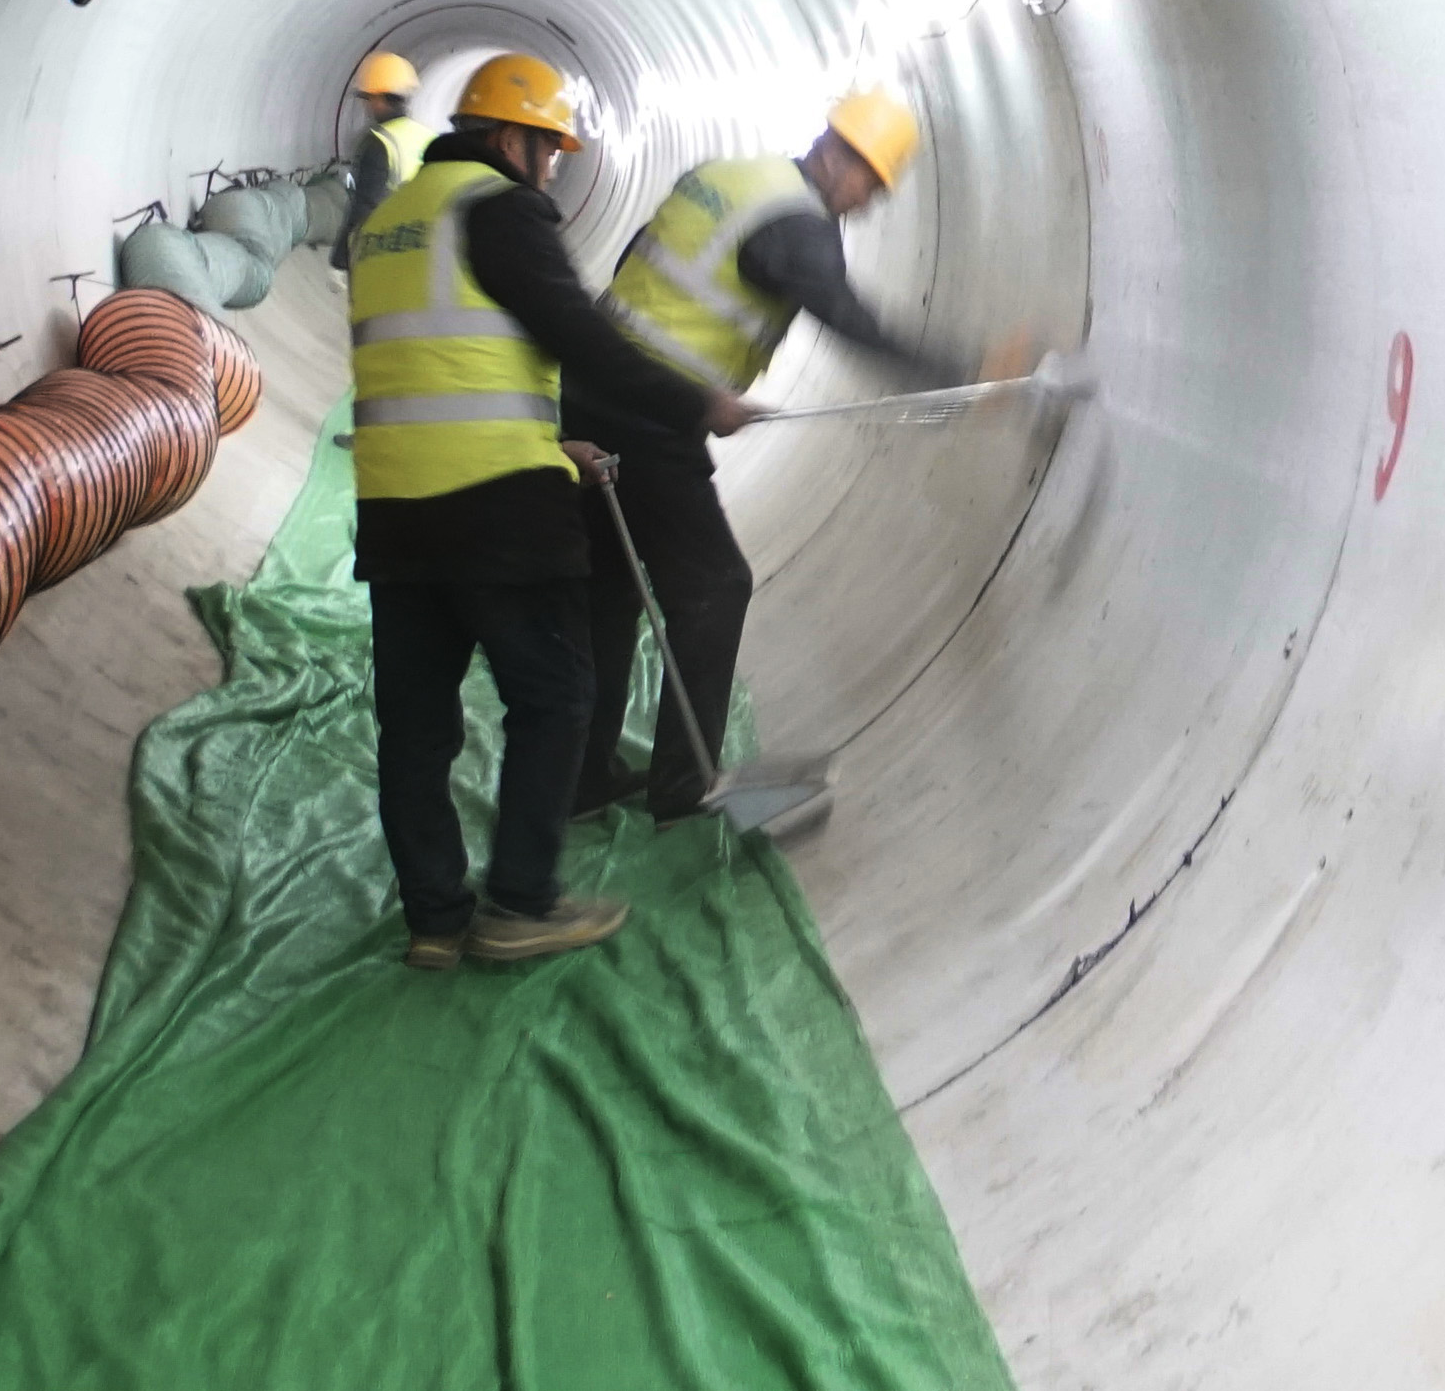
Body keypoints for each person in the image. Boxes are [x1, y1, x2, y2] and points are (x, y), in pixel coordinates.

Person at [351, 51, 761, 968]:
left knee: (415, 729)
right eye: (549, 151)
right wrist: (698, 404)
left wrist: (553, 438)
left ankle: (435, 920)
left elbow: (434, 359)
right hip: (495, 506)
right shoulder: (498, 209)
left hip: (392, 506)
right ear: (512, 140)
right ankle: (521, 903)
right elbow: (582, 335)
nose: (551, 172)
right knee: (556, 697)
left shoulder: (389, 223)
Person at [564, 90, 1027, 819]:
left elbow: (637, 260)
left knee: (610, 591)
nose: (867, 204)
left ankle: (583, 779)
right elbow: (847, 317)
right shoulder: (799, 227)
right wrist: (965, 375)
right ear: (840, 156)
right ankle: (684, 787)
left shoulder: (730, 178)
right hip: (648, 418)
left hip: (590, 390)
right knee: (715, 586)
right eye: (871, 184)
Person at [336, 50, 424, 221]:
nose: (367, 106)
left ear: (380, 98)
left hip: (392, 232)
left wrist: (349, 236)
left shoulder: (379, 142)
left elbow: (365, 207)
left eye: (369, 98)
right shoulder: (428, 136)